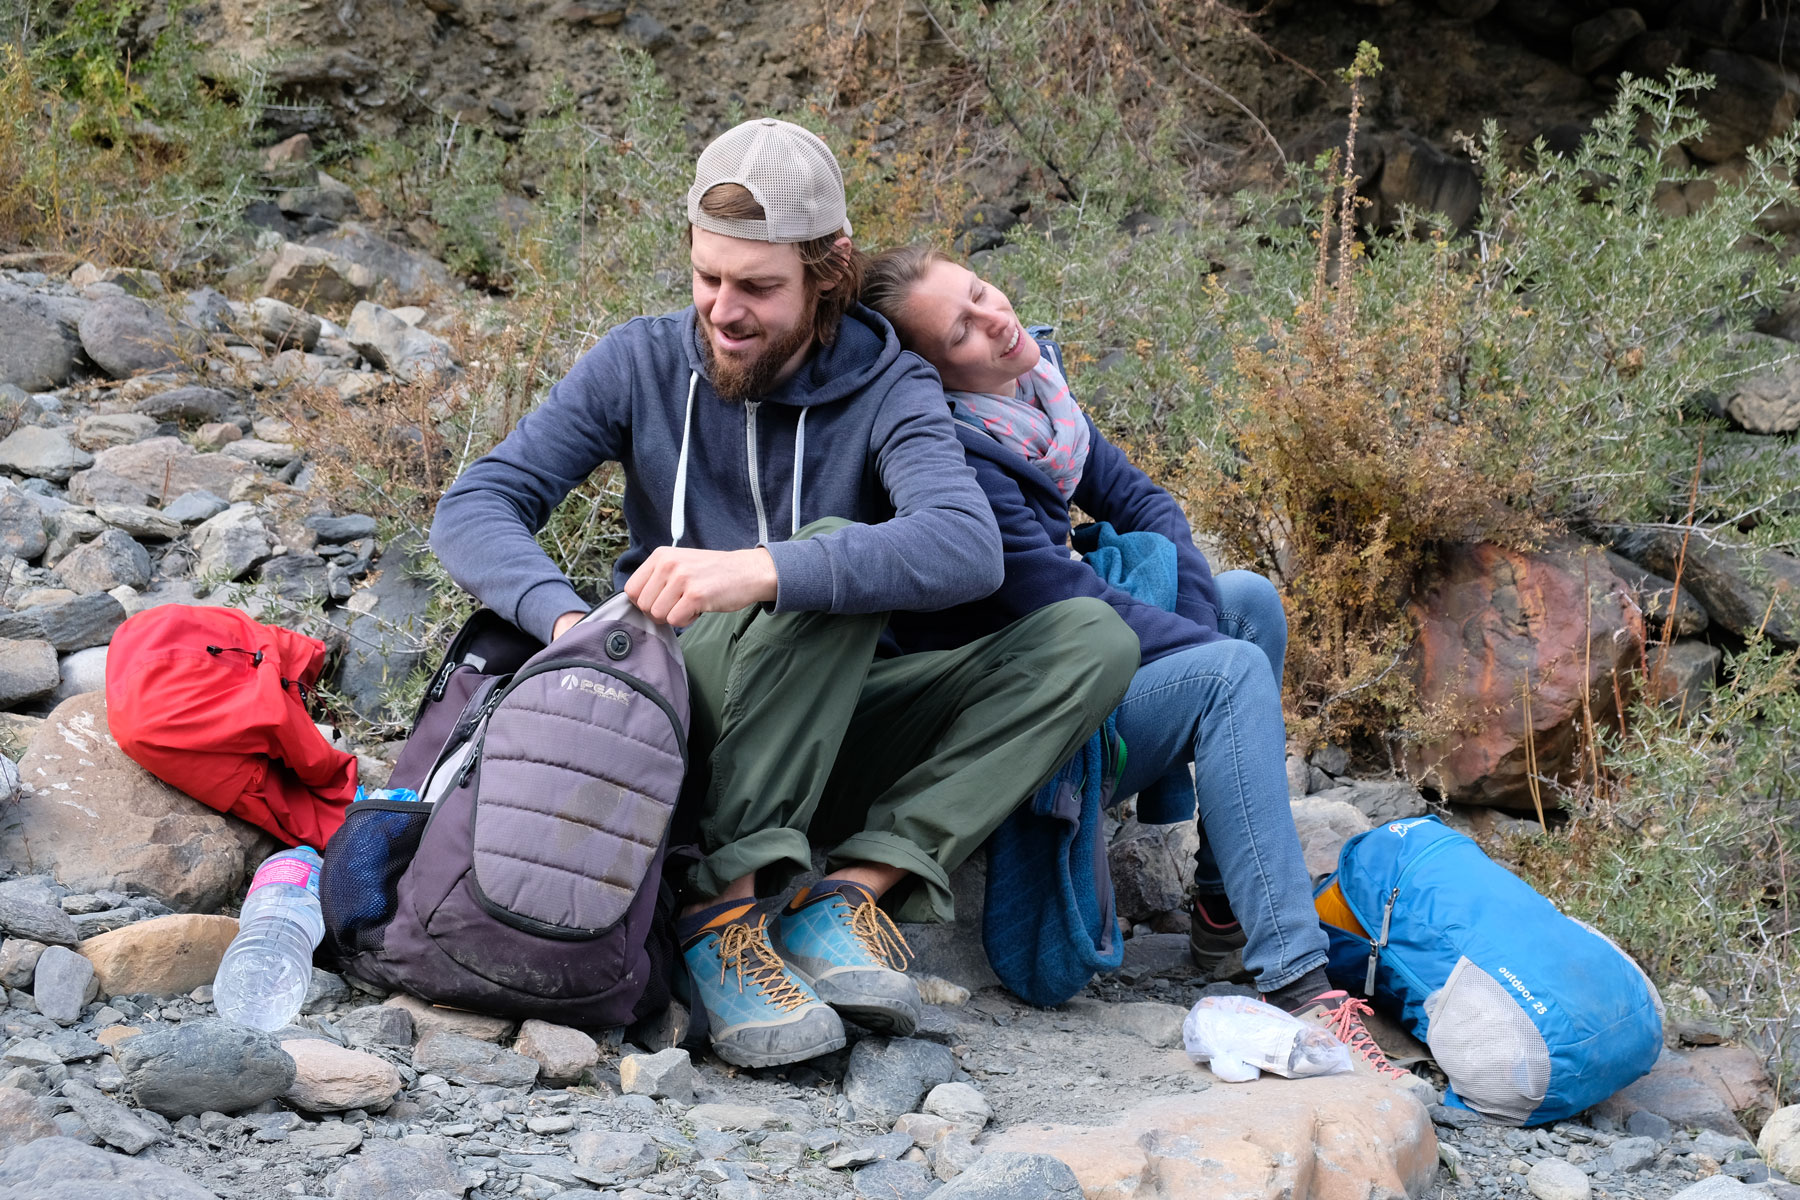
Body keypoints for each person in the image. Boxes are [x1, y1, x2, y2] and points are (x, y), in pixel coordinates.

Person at [429, 121, 1137, 1070]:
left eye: (759, 288)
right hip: (668, 722)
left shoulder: (892, 386)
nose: (724, 311)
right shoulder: (638, 363)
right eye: (707, 278)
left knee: (1089, 638)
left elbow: (967, 547)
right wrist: (568, 627)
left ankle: (842, 894)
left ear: (828, 272)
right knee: (830, 563)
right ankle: (718, 918)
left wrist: (762, 567)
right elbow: (477, 504)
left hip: (829, 728)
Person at [861, 244, 1426, 1093]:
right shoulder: (957, 458)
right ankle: (1303, 988)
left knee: (1246, 604)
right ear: (934, 374)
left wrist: (1202, 628)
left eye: (979, 294)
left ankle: (1220, 905)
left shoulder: (1034, 394)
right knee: (1228, 667)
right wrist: (1207, 653)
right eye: (963, 333)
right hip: (1040, 707)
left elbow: (1146, 504)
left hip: (1091, 646)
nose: (994, 320)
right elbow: (1067, 607)